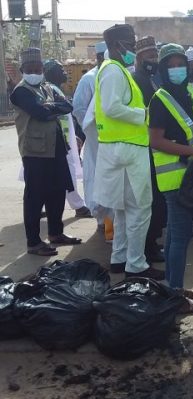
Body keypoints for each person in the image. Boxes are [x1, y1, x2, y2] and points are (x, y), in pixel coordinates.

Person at [148, 44, 193, 311]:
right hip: (175, 180)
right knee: (181, 236)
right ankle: (175, 296)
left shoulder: (185, 94)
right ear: (163, 70)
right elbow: (156, 141)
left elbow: (192, 132)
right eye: (171, 65)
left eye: (180, 65)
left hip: (188, 175)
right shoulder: (160, 99)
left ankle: (173, 288)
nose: (177, 70)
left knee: (176, 235)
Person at [95, 24, 163, 280]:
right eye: (129, 43)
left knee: (123, 209)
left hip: (118, 148)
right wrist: (143, 114)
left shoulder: (114, 70)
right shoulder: (114, 71)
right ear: (115, 46)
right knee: (140, 209)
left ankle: (119, 258)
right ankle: (136, 264)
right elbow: (112, 107)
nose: (133, 48)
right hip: (128, 149)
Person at [10, 47, 82, 256]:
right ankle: (33, 242)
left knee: (57, 192)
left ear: (42, 68)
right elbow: (39, 113)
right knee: (35, 197)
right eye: (30, 69)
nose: (35, 71)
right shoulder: (21, 91)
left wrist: (50, 107)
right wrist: (52, 107)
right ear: (23, 70)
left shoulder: (47, 88)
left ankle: (56, 233)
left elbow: (68, 106)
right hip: (35, 151)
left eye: (38, 68)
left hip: (56, 148)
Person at [132, 35, 166, 265]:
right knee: (148, 199)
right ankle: (147, 247)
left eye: (155, 54)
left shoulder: (156, 78)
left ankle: (152, 240)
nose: (153, 58)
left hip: (158, 145)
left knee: (157, 198)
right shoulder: (135, 79)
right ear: (138, 57)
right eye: (149, 55)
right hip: (144, 145)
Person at [42, 59, 91, 218]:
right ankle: (79, 206)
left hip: (63, 138)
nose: (65, 72)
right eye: (61, 70)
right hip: (61, 141)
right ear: (51, 73)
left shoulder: (53, 89)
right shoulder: (52, 90)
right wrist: (68, 138)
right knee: (67, 171)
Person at [73, 41, 107, 229]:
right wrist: (91, 128)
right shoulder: (89, 78)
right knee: (96, 174)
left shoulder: (116, 74)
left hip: (114, 138)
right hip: (96, 138)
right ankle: (101, 218)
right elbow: (79, 108)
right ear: (99, 57)